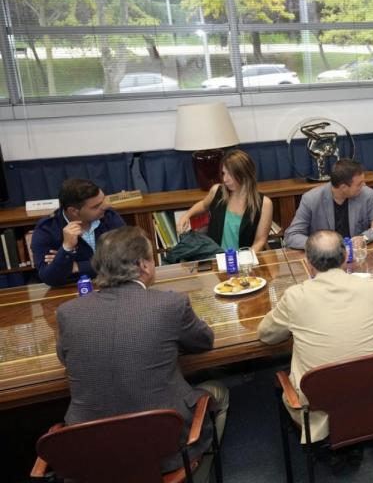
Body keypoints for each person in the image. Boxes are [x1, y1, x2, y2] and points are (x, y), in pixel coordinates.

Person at [56, 226, 228, 477]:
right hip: (165, 449)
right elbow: (204, 341)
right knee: (220, 393)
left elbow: (65, 357)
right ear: (144, 265)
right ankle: (199, 475)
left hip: (90, 455)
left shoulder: (68, 312)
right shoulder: (170, 304)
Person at [258, 230, 373, 467]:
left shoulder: (294, 297)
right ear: (344, 258)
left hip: (322, 406)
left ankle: (335, 449)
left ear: (309, 264)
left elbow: (267, 335)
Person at [31, 178, 126, 287]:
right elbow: (50, 278)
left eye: (103, 200)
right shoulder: (47, 230)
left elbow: (129, 260)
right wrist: (66, 248)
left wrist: (76, 267)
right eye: (96, 206)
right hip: (72, 292)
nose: (105, 206)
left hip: (115, 286)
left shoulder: (110, 217)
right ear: (73, 211)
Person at [176, 150, 273, 253]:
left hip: (245, 262)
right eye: (223, 173)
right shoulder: (217, 191)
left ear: (244, 174)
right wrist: (187, 215)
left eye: (230, 174)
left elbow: (260, 241)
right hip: (215, 258)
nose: (225, 179)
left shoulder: (264, 204)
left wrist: (244, 260)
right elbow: (203, 205)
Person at [284, 158, 373, 250]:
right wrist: (320, 244)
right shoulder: (311, 199)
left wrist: (363, 238)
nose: (364, 185)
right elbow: (292, 236)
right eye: (359, 184)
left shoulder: (366, 194)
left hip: (355, 255)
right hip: (325, 259)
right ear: (343, 187)